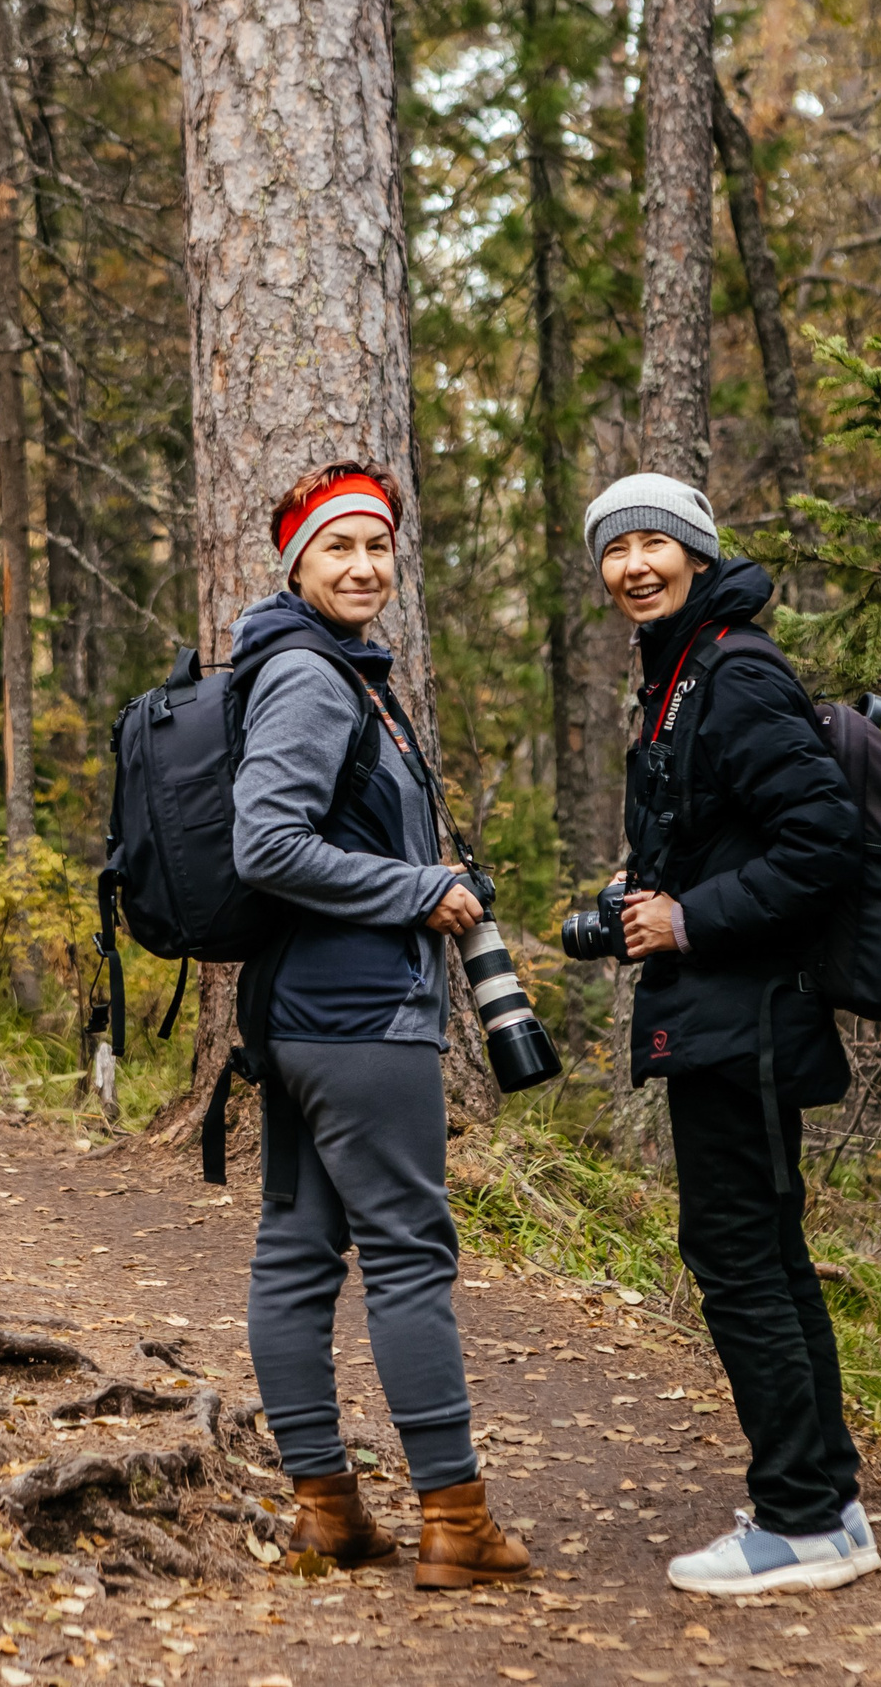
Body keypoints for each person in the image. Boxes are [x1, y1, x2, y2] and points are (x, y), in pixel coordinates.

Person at [228, 458, 532, 1590]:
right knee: (407, 1256)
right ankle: (455, 1520)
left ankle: (328, 1511)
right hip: (358, 1016)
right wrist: (418, 889)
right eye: (337, 548)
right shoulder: (311, 678)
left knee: (298, 1250)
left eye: (377, 547)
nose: (362, 567)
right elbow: (267, 845)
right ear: (295, 563)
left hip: (302, 1012)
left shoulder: (327, 670)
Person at [582, 471, 881, 1597]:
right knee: (762, 1252)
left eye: (654, 543)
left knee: (740, 1256)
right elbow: (738, 831)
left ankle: (800, 1518)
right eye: (615, 550)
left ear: (699, 555)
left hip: (743, 1015)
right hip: (725, 1011)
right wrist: (653, 891)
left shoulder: (734, 673)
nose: (634, 566)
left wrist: (689, 918)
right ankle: (828, 1504)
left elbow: (823, 841)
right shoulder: (682, 672)